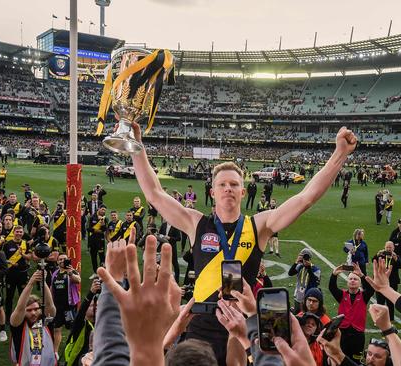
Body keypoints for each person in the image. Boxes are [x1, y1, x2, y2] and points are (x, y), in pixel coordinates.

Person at [127, 122, 357, 363]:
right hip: (199, 325)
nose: (228, 189)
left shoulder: (259, 226)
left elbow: (305, 199)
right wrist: (137, 146)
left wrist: (339, 154)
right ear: (212, 192)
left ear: (243, 192)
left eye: (234, 184)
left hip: (239, 328)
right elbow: (154, 193)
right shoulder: (195, 223)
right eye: (222, 185)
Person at [9, 270, 57, 366]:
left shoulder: (45, 320)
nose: (33, 313)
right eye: (29, 310)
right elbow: (20, 307)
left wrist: (43, 282)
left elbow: (49, 305)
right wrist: (31, 283)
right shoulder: (18, 324)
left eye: (36, 309)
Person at [328, 263, 374, 363]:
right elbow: (332, 287)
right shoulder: (342, 295)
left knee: (356, 361)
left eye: (355, 279)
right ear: (347, 282)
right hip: (342, 333)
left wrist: (361, 275)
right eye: (350, 279)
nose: (353, 281)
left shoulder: (364, 296)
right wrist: (334, 274)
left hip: (358, 335)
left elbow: (371, 289)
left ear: (360, 283)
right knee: (341, 359)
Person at [64, 279, 100, 366]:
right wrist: (91, 293)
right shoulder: (80, 325)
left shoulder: (101, 325)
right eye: (92, 306)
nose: (96, 307)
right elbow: (81, 312)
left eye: (98, 305)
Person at [50, 254, 81, 353]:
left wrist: (70, 273)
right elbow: (52, 287)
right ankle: (55, 352)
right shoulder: (55, 273)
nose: (62, 261)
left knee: (72, 329)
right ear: (57, 262)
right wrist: (50, 301)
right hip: (57, 306)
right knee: (57, 328)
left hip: (69, 306)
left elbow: (78, 280)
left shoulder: (72, 271)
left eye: (64, 259)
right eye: (60, 259)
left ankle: (73, 349)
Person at [2, 225, 32, 325]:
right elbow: (3, 259)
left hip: (22, 274)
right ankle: (7, 318)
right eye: (17, 232)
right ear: (13, 232)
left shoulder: (26, 244)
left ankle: (23, 315)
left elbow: (29, 257)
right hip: (10, 274)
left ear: (23, 233)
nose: (18, 233)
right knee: (9, 297)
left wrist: (22, 254)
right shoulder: (7, 244)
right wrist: (10, 263)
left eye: (20, 232)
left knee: (23, 296)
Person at [373, 241, 401, 321]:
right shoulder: (381, 255)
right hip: (380, 281)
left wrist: (396, 259)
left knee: (391, 300)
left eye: (390, 247)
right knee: (380, 300)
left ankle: (391, 318)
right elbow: (373, 260)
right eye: (387, 247)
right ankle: (380, 317)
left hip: (392, 282)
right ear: (384, 247)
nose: (388, 249)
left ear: (393, 248)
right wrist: (377, 255)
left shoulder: (396, 256)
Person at [87, 206, 107, 275]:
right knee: (93, 257)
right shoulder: (92, 217)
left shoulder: (105, 218)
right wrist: (98, 230)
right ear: (98, 209)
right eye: (102, 209)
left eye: (104, 210)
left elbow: (104, 230)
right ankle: (95, 272)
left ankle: (102, 273)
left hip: (100, 240)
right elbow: (88, 228)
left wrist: (103, 224)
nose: (103, 211)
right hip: (92, 240)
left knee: (102, 256)